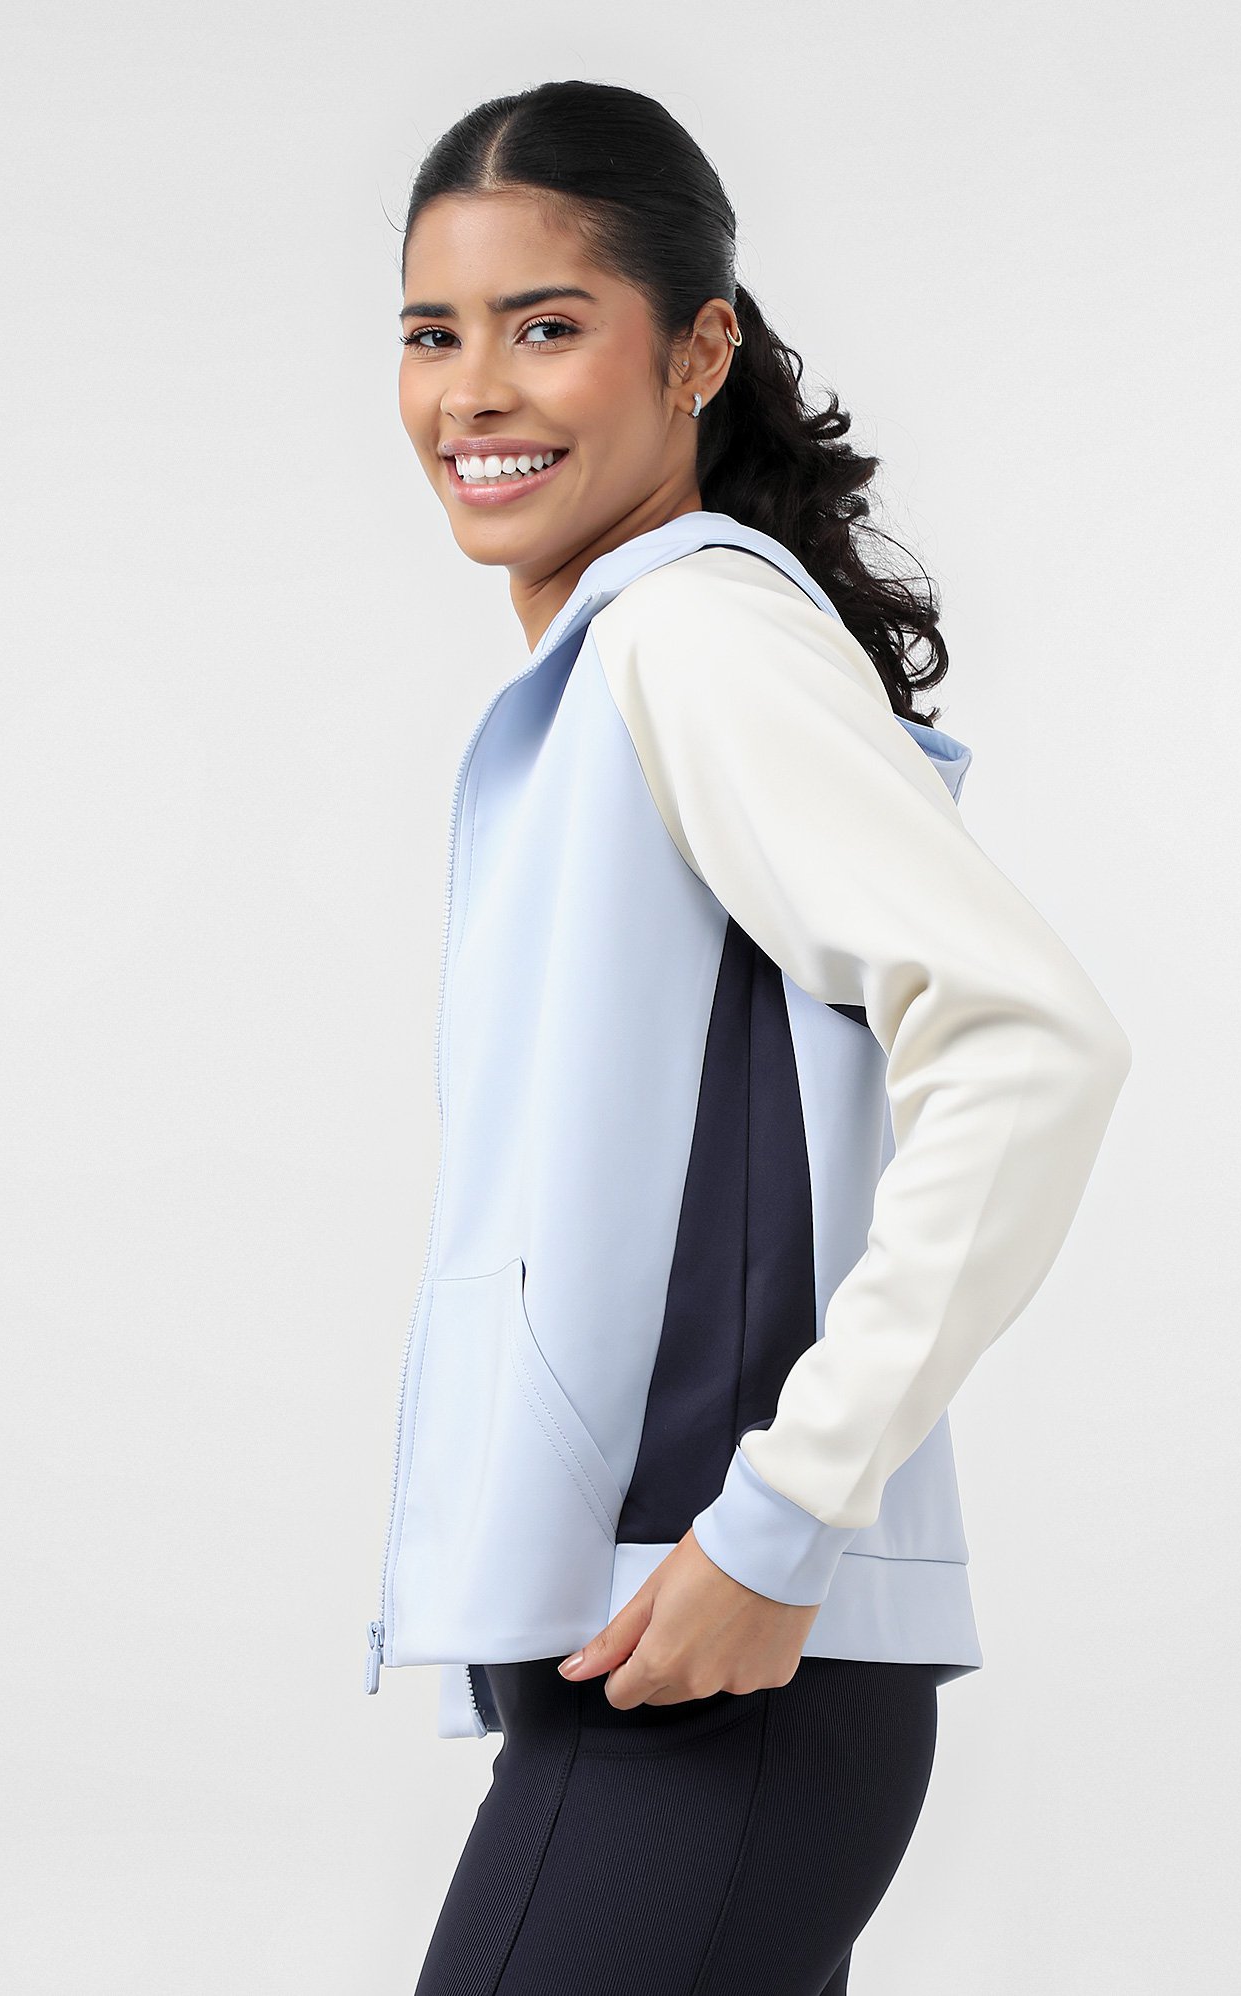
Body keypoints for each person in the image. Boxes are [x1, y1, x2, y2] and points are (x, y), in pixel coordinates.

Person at [365, 79, 1133, 1996]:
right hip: (674, 1655)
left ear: (699, 350)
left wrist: (776, 1525)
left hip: (720, 1663)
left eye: (547, 326)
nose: (475, 393)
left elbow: (1031, 1043)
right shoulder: (624, 664)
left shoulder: (690, 639)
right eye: (433, 335)